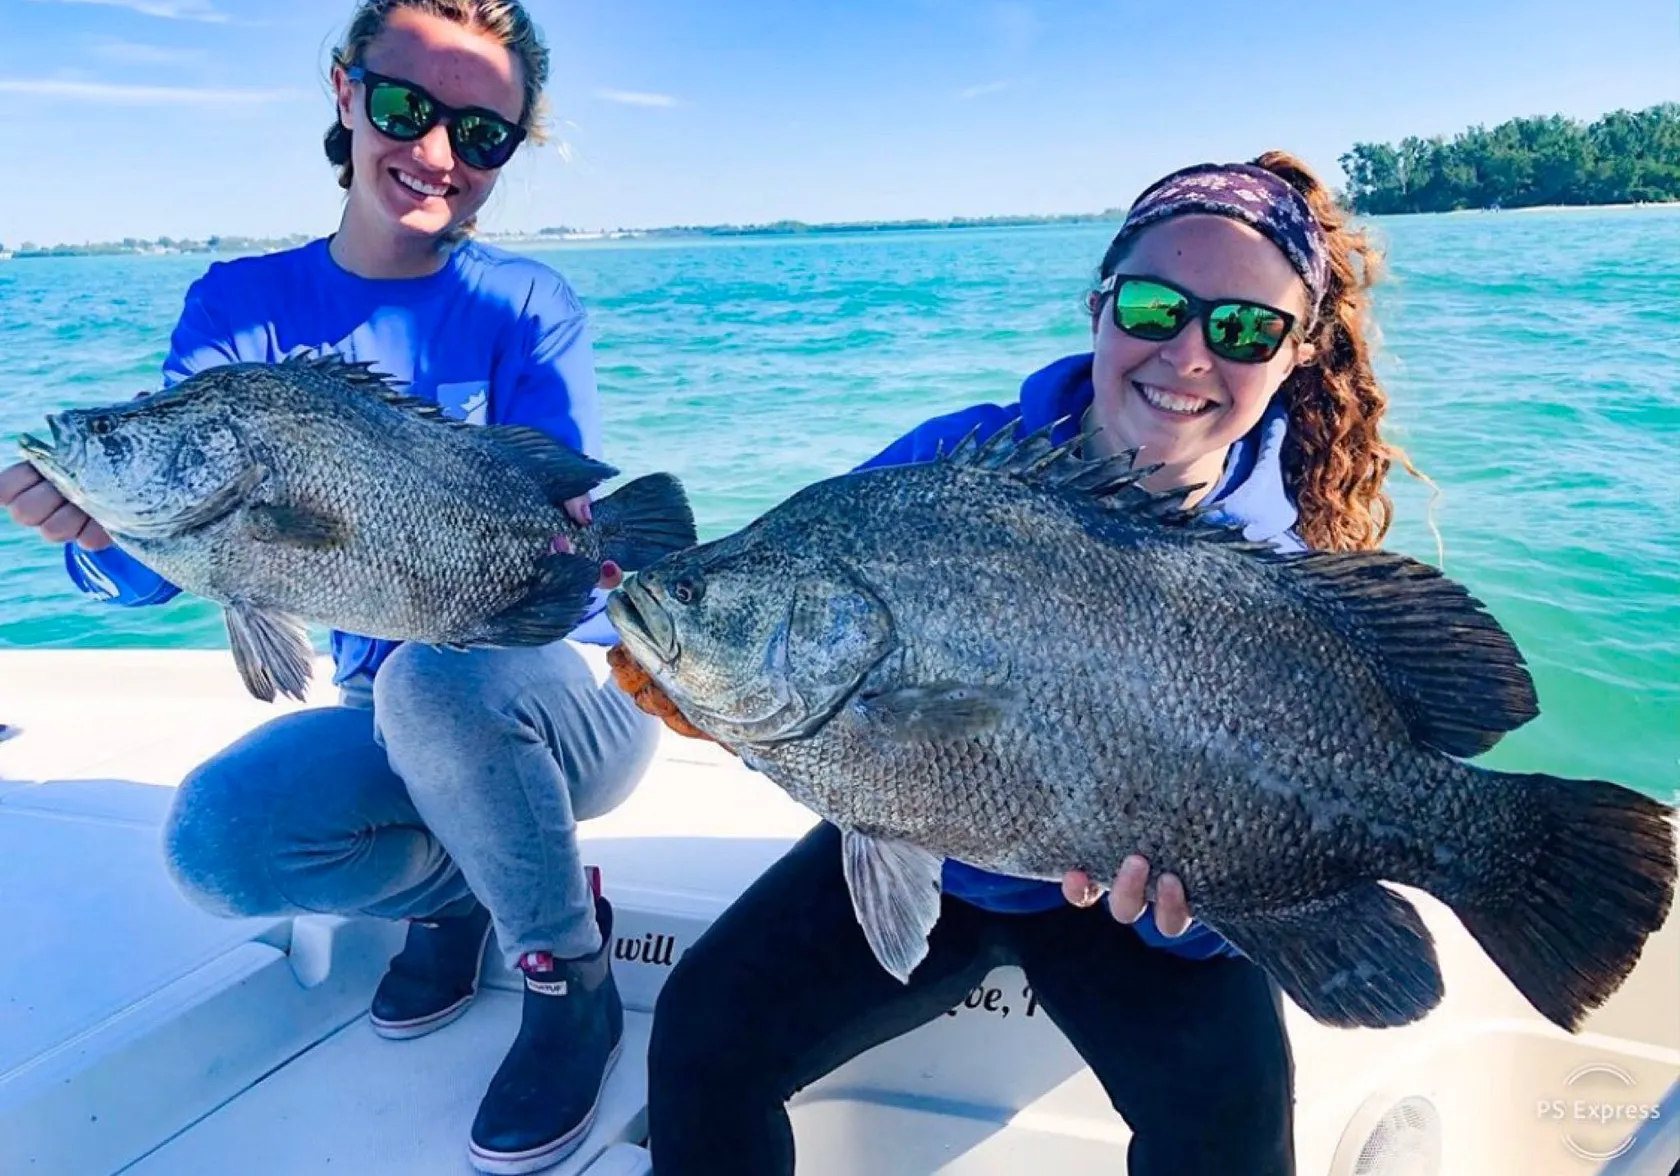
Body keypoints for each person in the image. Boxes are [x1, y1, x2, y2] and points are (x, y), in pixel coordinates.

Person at [642, 151, 1416, 1176]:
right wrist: (708, 698)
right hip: (939, 865)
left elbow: (1271, 839)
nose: (1187, 354)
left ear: (1297, 354)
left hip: (1134, 922)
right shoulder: (939, 468)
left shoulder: (1281, 574)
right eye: (1153, 307)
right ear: (1099, 309)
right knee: (701, 1032)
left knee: (1232, 1142)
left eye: (1241, 328)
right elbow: (819, 701)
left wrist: (1204, 914)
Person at [0, 2, 655, 1172]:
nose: (438, 153)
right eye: (407, 107)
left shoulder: (525, 305)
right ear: (347, 95)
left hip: (553, 705)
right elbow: (157, 571)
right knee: (222, 843)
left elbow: (573, 578)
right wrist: (96, 533)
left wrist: (602, 566)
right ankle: (460, 902)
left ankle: (571, 977)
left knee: (436, 689)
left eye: (483, 134)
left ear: (509, 153)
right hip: (389, 719)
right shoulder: (237, 309)